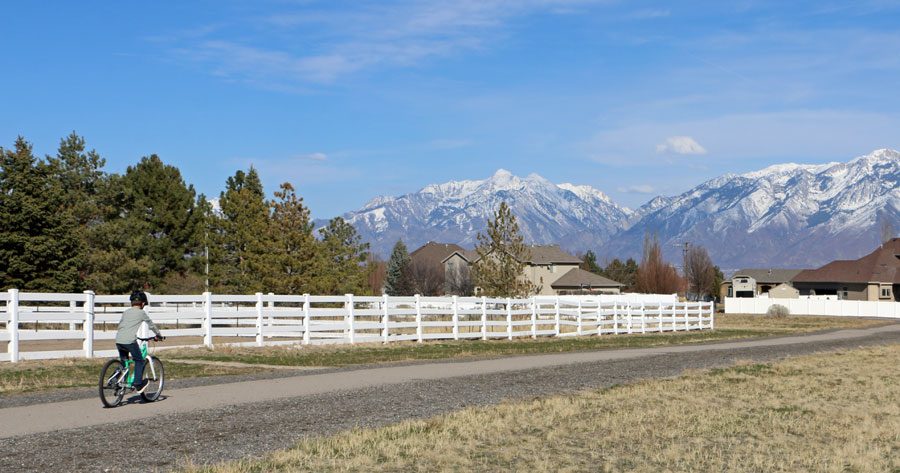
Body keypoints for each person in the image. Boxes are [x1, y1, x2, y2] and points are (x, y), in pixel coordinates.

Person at [115, 290, 164, 393]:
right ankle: (138, 383)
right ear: (142, 303)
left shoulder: (126, 312)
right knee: (140, 360)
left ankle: (116, 379)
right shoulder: (141, 313)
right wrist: (158, 335)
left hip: (119, 340)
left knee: (124, 362)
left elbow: (121, 325)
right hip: (129, 341)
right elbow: (151, 325)